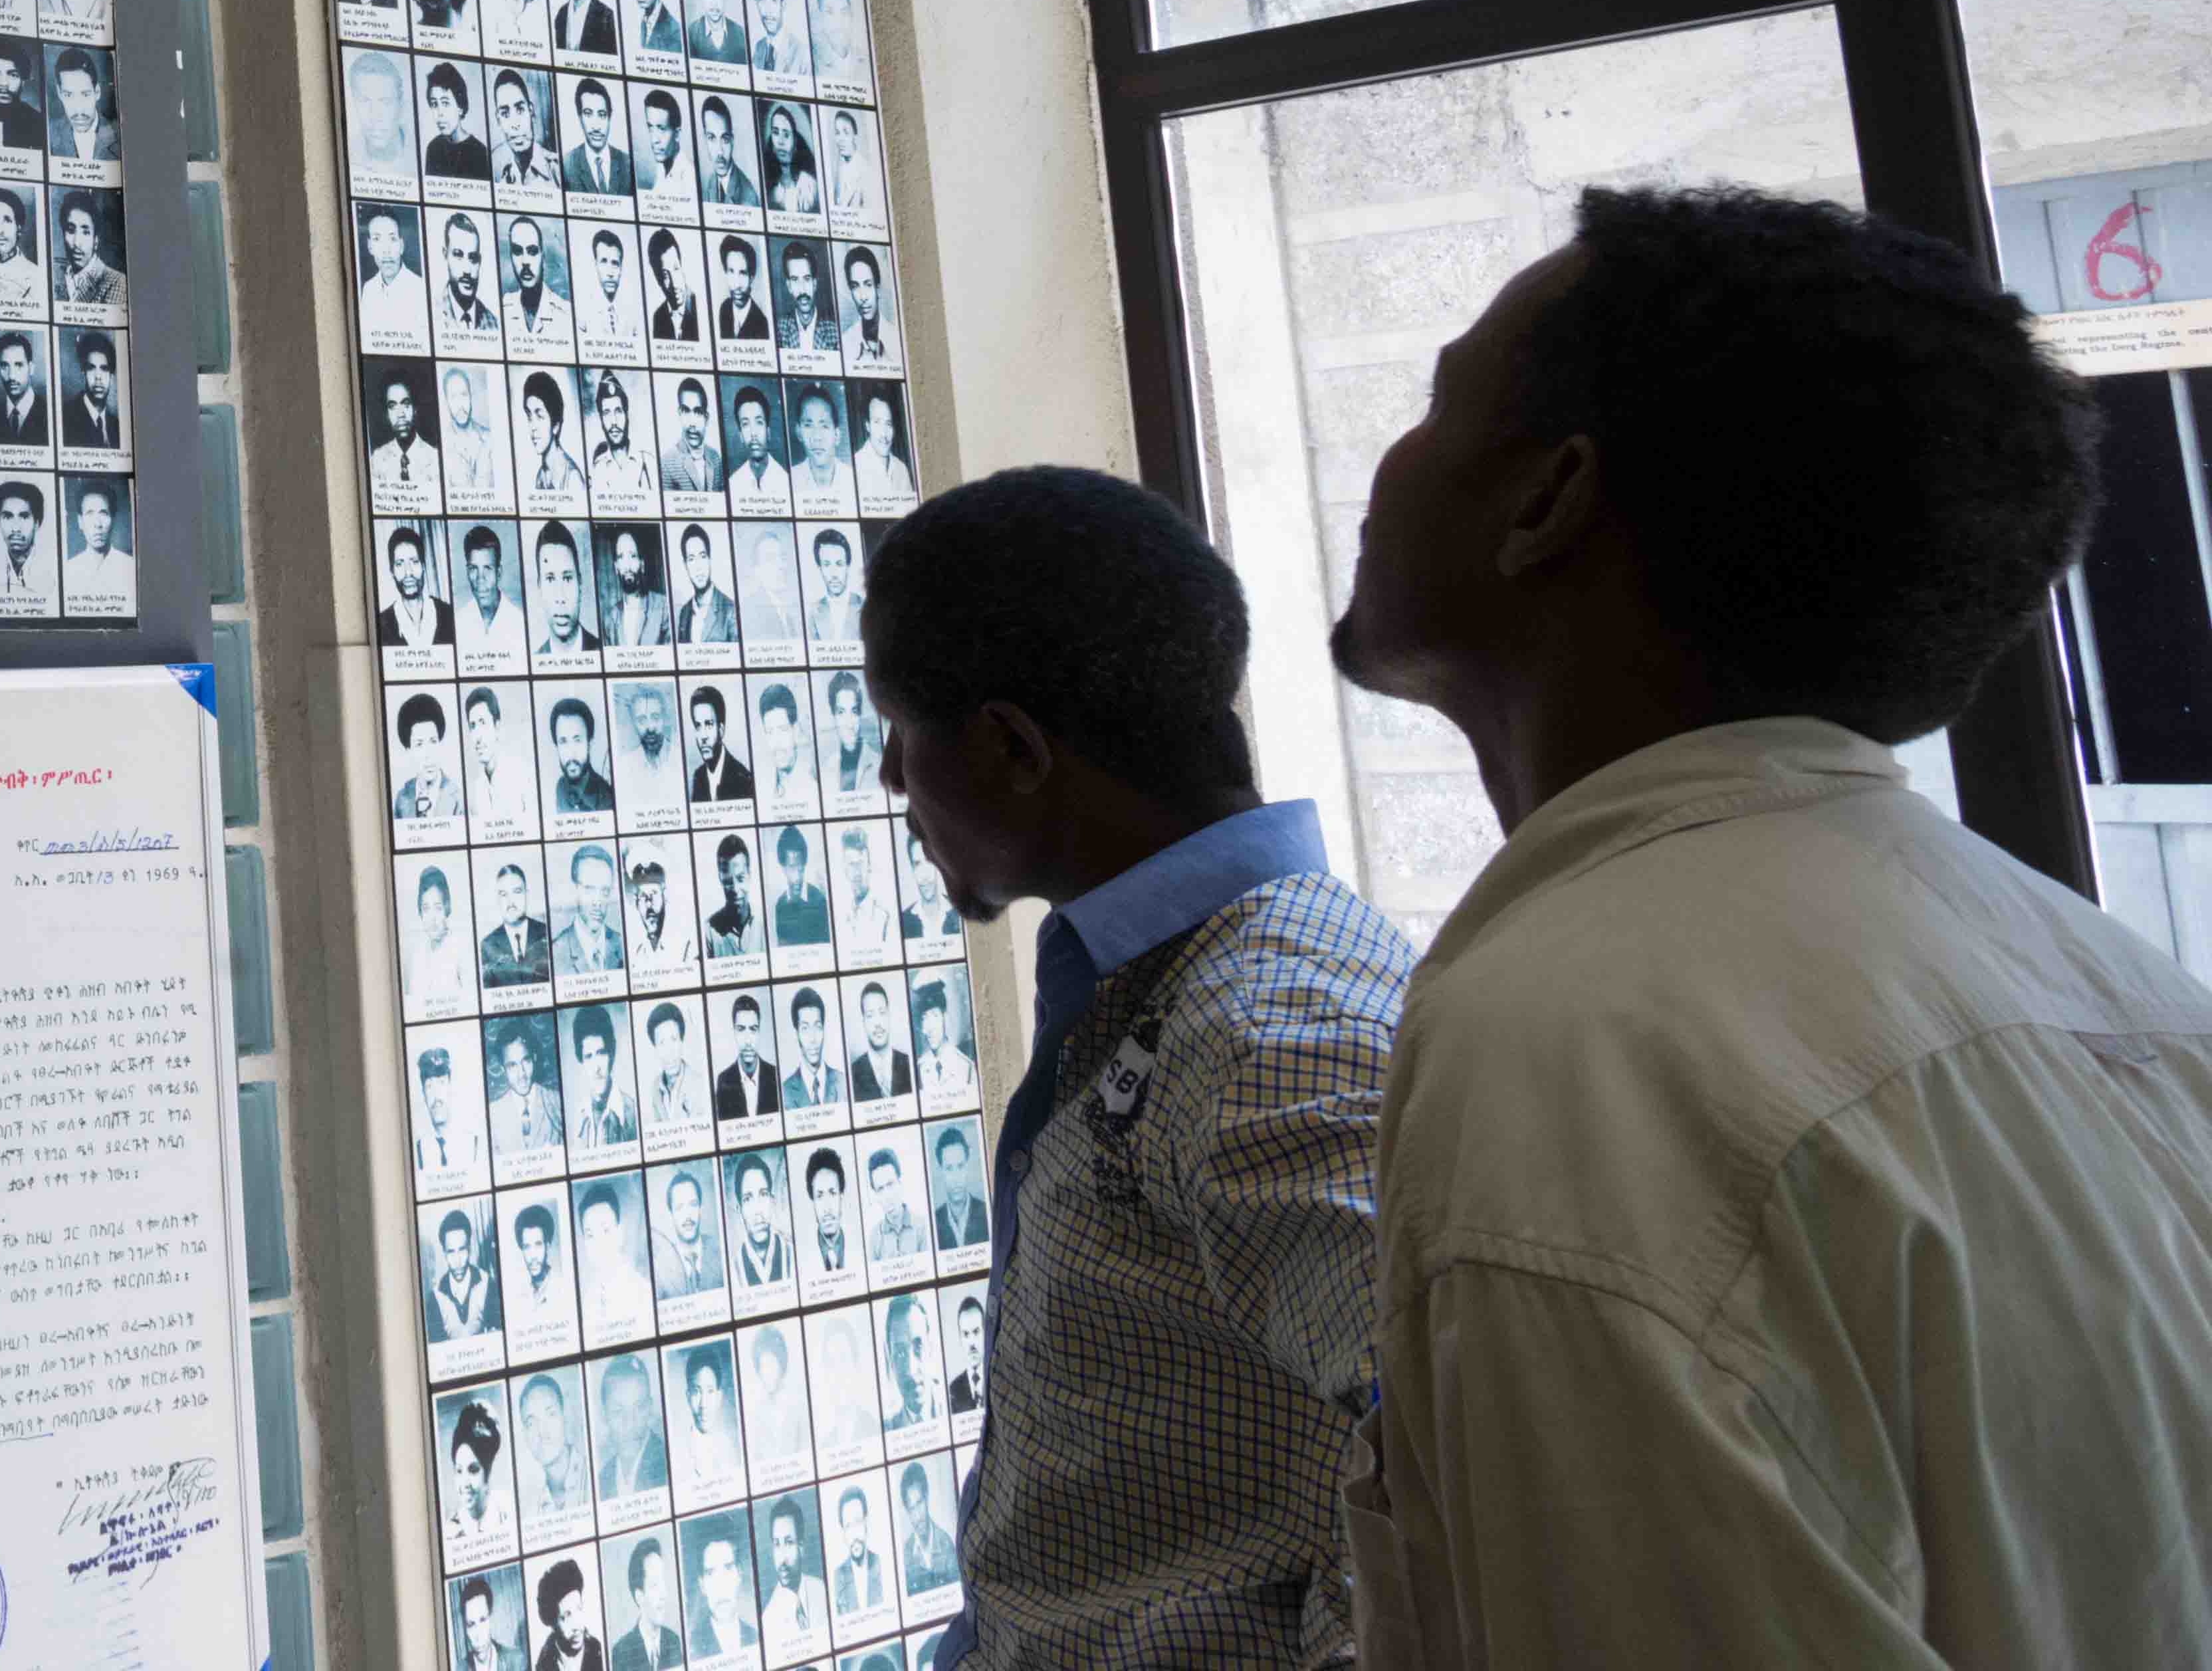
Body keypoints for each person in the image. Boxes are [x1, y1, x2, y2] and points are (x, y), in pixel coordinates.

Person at [1333, 186, 2212, 1664]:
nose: (1385, 465)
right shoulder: (2128, 993)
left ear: (1546, 497)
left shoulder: (1585, 1047)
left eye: (1433, 401)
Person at [854, 466, 1402, 1668]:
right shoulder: (1187, 986)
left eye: (899, 731)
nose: (892, 781)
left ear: (1009, 748)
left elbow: (1472, 1465)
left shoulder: (1266, 1031)